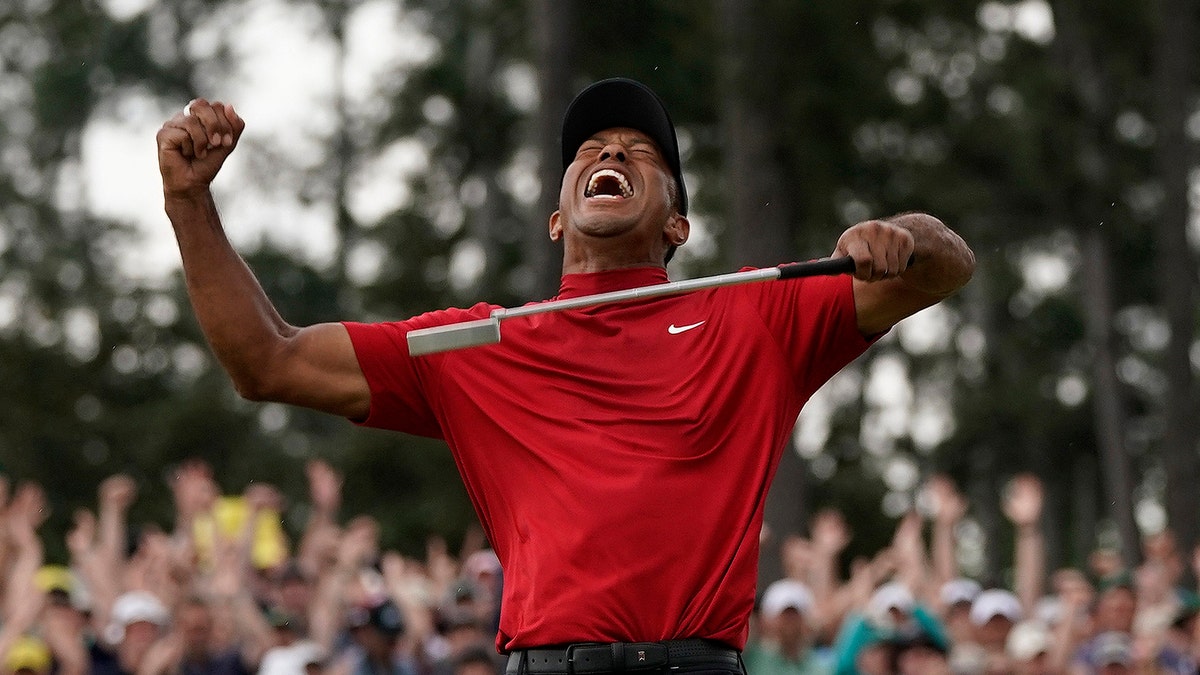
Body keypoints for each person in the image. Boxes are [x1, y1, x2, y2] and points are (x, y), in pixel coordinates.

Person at [155, 76, 975, 675]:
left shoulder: (756, 316)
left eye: (640, 153)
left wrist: (902, 236)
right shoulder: (477, 344)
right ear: (557, 215)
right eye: (589, 151)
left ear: (678, 222)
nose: (611, 152)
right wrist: (189, 204)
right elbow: (267, 360)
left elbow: (946, 266)